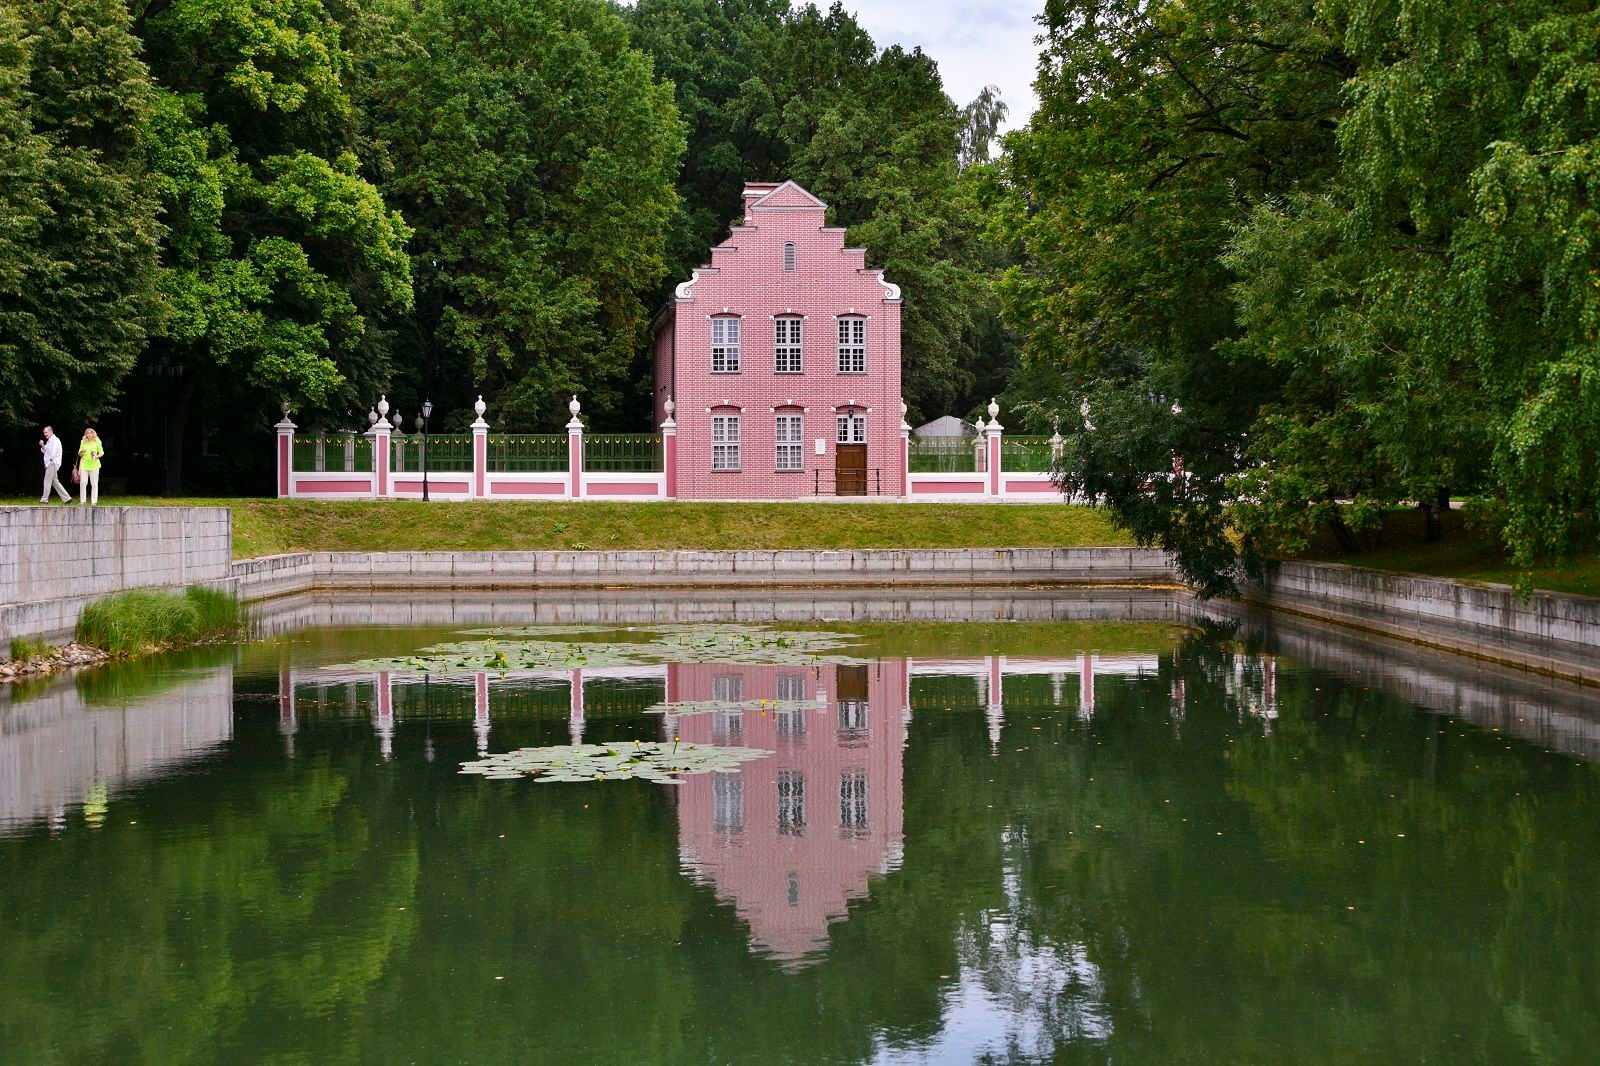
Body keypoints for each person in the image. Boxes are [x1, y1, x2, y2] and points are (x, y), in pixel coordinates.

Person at [39, 426, 71, 503]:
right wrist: (43, 445)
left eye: (46, 432)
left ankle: (44, 499)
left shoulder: (55, 440)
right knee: (55, 482)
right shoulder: (50, 441)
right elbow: (45, 450)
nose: (45, 434)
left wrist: (48, 461)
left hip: (52, 462)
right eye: (44, 433)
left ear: (50, 431)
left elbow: (52, 453)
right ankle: (67, 498)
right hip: (51, 462)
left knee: (47, 481)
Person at [76, 428, 105, 505]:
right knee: (83, 482)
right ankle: (83, 500)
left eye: (91, 433)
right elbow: (79, 454)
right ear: (85, 434)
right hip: (84, 464)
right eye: (87, 433)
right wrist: (82, 452)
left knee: (94, 483)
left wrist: (96, 456)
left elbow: (102, 453)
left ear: (93, 434)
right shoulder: (83, 442)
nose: (89, 434)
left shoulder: (97, 442)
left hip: (94, 465)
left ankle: (94, 501)